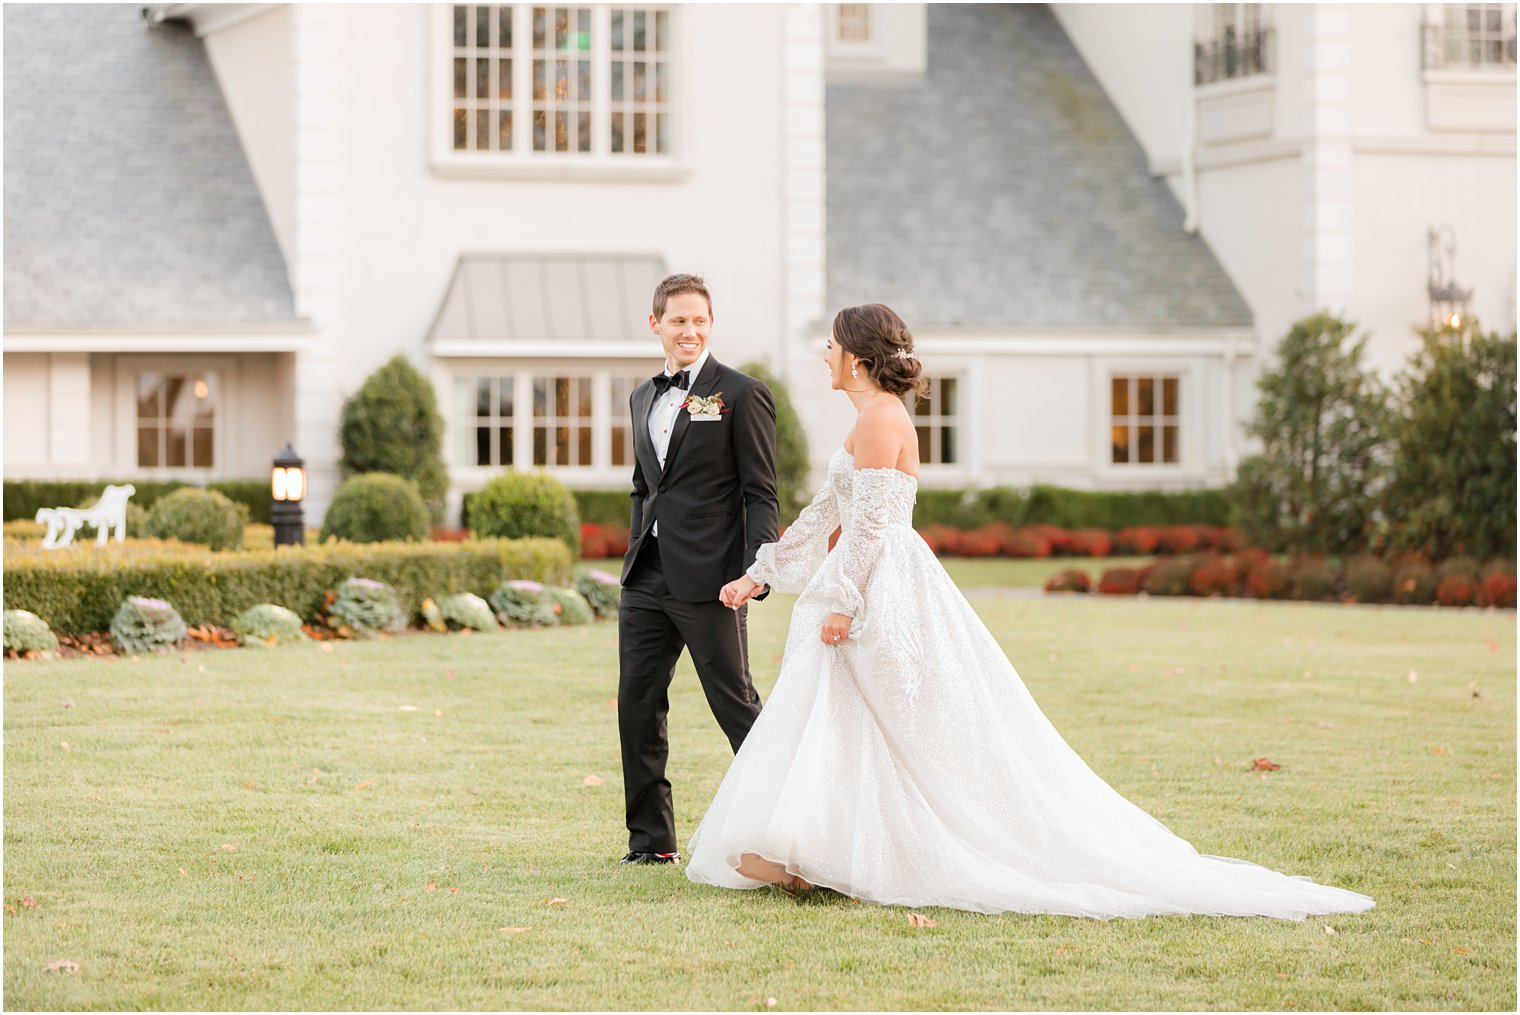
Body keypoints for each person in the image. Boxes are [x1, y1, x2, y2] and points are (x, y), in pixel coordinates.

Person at [686, 303, 1376, 919]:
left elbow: (866, 530)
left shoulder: (880, 420)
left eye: (832, 346)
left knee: (882, 719)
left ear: (859, 359)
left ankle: (862, 852)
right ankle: (828, 845)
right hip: (869, 578)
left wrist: (842, 600)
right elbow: (825, 513)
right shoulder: (869, 418)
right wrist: (759, 572)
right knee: (847, 716)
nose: (824, 355)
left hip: (880, 586)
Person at [616, 273, 780, 866]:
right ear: (655, 323)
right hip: (646, 578)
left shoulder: (740, 393)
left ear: (711, 325)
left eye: (700, 320)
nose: (690, 331)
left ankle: (785, 830)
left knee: (734, 703)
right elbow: (643, 486)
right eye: (679, 320)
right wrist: (637, 545)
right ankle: (650, 844)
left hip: (714, 580)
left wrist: (758, 568)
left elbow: (762, 492)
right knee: (637, 704)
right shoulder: (642, 397)